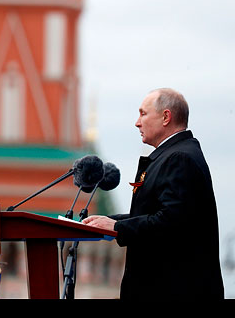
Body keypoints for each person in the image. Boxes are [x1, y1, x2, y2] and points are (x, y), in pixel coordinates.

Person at [83, 88, 224, 299]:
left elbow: (171, 223)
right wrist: (107, 222)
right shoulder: (172, 155)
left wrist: (117, 227)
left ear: (166, 117)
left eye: (143, 113)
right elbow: (153, 214)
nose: (137, 122)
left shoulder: (180, 158)